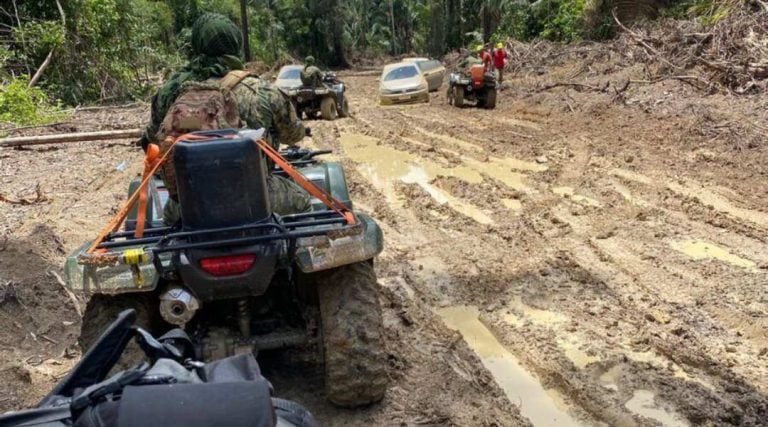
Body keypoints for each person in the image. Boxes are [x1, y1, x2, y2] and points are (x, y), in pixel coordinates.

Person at [138, 13, 311, 224]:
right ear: (235, 43)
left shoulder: (171, 92)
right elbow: (293, 135)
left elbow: (152, 141)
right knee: (303, 202)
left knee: (170, 224)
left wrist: (194, 128)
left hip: (191, 203)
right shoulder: (263, 92)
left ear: (197, 45)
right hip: (255, 197)